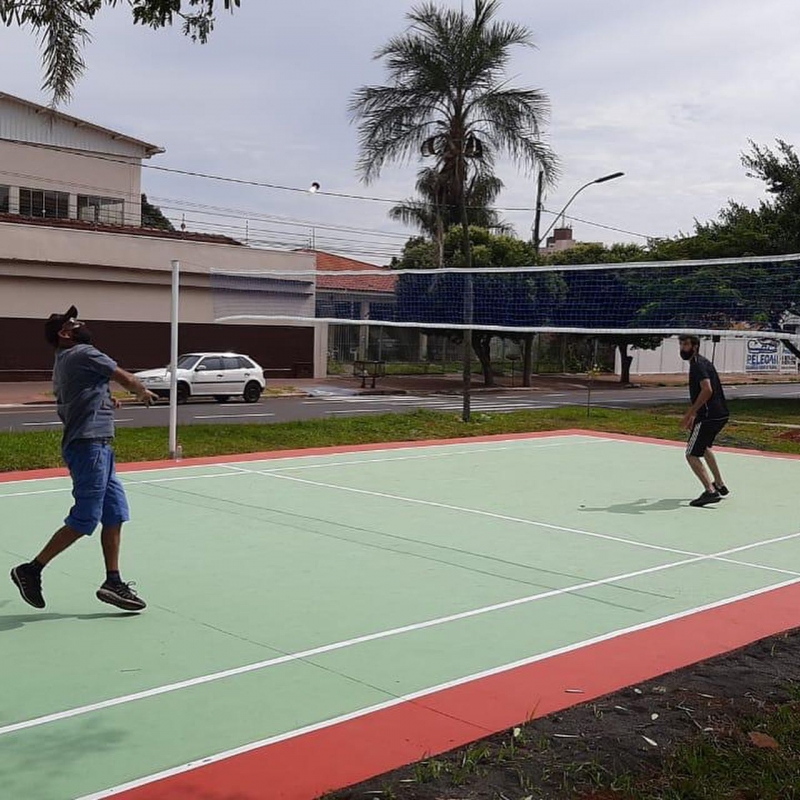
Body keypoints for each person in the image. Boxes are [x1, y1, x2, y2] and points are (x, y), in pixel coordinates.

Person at [10, 306, 158, 611]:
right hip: (89, 447)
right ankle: (31, 569)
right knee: (86, 518)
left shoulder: (64, 360)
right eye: (76, 323)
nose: (83, 324)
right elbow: (124, 377)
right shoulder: (83, 352)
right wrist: (141, 391)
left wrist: (105, 400)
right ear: (65, 333)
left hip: (98, 446)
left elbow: (76, 394)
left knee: (115, 514)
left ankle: (112, 582)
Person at [679, 334, 730, 507]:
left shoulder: (697, 365)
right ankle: (720, 484)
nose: (682, 348)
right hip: (720, 414)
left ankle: (710, 491)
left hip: (709, 416)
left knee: (691, 454)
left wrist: (690, 414)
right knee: (705, 447)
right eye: (681, 344)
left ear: (695, 346)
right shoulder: (703, 362)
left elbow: (707, 390)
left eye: (685, 344)